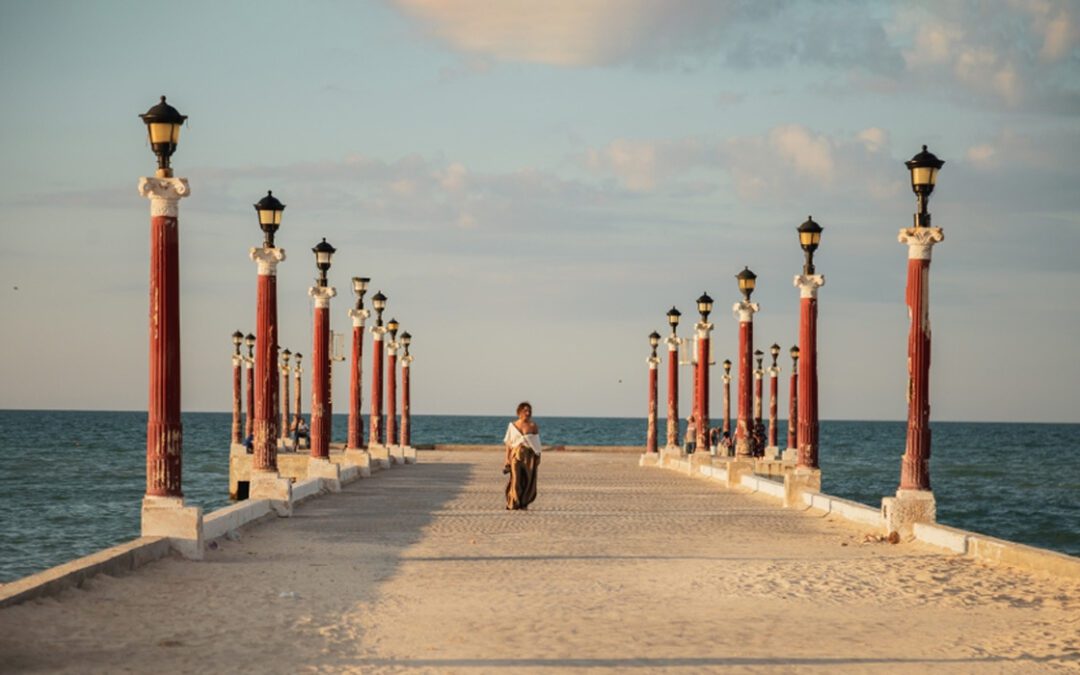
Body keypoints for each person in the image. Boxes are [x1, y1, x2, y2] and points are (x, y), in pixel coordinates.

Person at [503, 401, 542, 510]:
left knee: (529, 480)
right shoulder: (513, 426)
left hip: (530, 456)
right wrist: (507, 459)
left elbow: (537, 443)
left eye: (529, 411)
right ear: (519, 412)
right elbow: (508, 444)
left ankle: (524, 502)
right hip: (516, 455)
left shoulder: (533, 426)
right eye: (525, 411)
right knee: (515, 479)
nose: (528, 413)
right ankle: (513, 503)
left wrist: (538, 457)